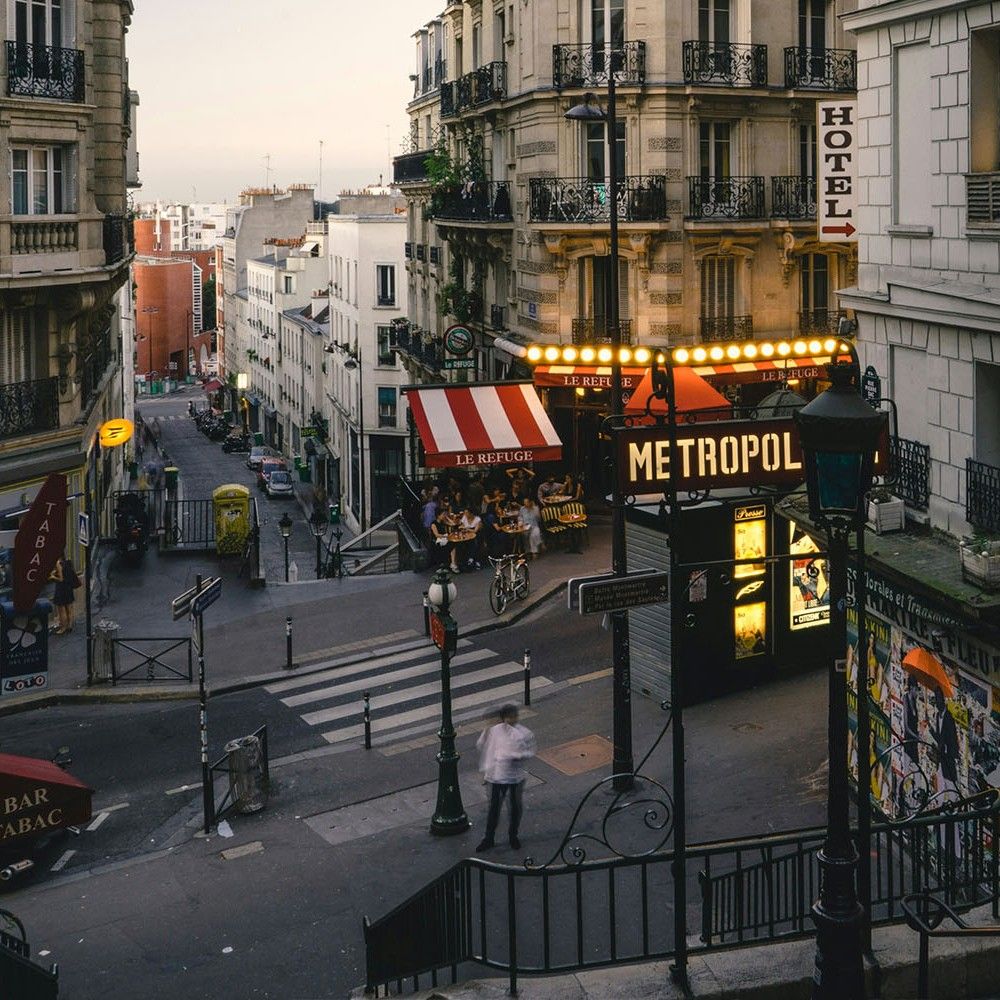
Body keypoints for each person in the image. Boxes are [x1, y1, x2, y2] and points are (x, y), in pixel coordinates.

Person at [476, 704, 536, 852]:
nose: (512, 720)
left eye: (514, 716)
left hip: (515, 777)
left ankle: (513, 836)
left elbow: (530, 752)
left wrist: (515, 756)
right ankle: (489, 838)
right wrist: (486, 771)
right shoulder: (494, 731)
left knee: (514, 808)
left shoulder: (524, 733)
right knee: (494, 809)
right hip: (496, 777)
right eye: (509, 717)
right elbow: (484, 747)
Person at [49, 550, 80, 634]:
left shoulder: (58, 563)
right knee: (69, 608)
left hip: (61, 589)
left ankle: (63, 627)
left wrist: (53, 577)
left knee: (61, 609)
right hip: (68, 587)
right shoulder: (67, 562)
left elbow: (61, 579)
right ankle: (70, 626)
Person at [459, 505, 482, 570]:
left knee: (475, 542)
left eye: (467, 513)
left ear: (471, 513)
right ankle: (468, 559)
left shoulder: (477, 519)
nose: (465, 514)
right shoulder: (464, 518)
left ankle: (473, 559)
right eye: (465, 513)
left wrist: (467, 529)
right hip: (467, 535)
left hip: (477, 535)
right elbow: (461, 526)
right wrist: (463, 528)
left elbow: (475, 530)